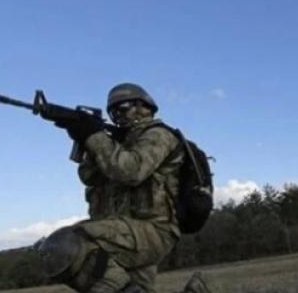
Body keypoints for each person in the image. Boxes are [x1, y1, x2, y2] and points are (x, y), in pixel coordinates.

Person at [37, 83, 211, 293]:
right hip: (124, 231)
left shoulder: (159, 135)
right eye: (113, 111)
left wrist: (94, 136)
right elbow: (89, 177)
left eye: (124, 107)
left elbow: (130, 171)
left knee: (65, 244)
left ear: (144, 106)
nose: (118, 115)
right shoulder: (117, 144)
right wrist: (85, 138)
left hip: (152, 230)